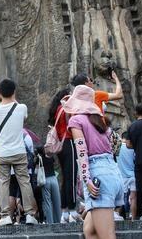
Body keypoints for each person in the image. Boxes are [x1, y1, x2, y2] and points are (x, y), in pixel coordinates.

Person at [64, 83, 124, 239]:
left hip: (97, 175)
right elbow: (114, 147)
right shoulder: (99, 121)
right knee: (90, 230)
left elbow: (82, 151)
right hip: (113, 173)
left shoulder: (76, 121)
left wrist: (86, 178)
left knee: (107, 235)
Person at [0, 79, 38, 226]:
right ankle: (29, 215)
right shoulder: (21, 107)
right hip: (19, 152)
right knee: (24, 182)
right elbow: (23, 114)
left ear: (0, 92)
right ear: (14, 92)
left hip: (2, 153)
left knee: (3, 184)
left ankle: (5, 216)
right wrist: (12, 97)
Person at [48, 88, 81, 223]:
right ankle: (73, 210)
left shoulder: (57, 109)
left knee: (65, 179)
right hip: (69, 143)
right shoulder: (67, 109)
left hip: (61, 147)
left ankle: (65, 213)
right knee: (71, 178)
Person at [36, 146, 61, 224]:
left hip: (45, 180)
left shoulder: (39, 159)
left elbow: (36, 168)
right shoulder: (51, 157)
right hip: (54, 179)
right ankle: (58, 220)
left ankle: (50, 222)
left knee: (47, 202)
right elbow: (54, 164)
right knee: (57, 201)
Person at [117, 132, 136, 219]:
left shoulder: (118, 147)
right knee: (133, 197)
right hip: (133, 175)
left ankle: (119, 215)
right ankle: (133, 217)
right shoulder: (133, 148)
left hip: (122, 176)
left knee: (121, 197)